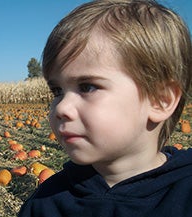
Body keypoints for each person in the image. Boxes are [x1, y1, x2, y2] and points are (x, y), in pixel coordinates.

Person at [18, 0, 192, 216]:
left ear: (159, 101)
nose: (61, 107)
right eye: (57, 91)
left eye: (87, 87)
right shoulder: (45, 203)